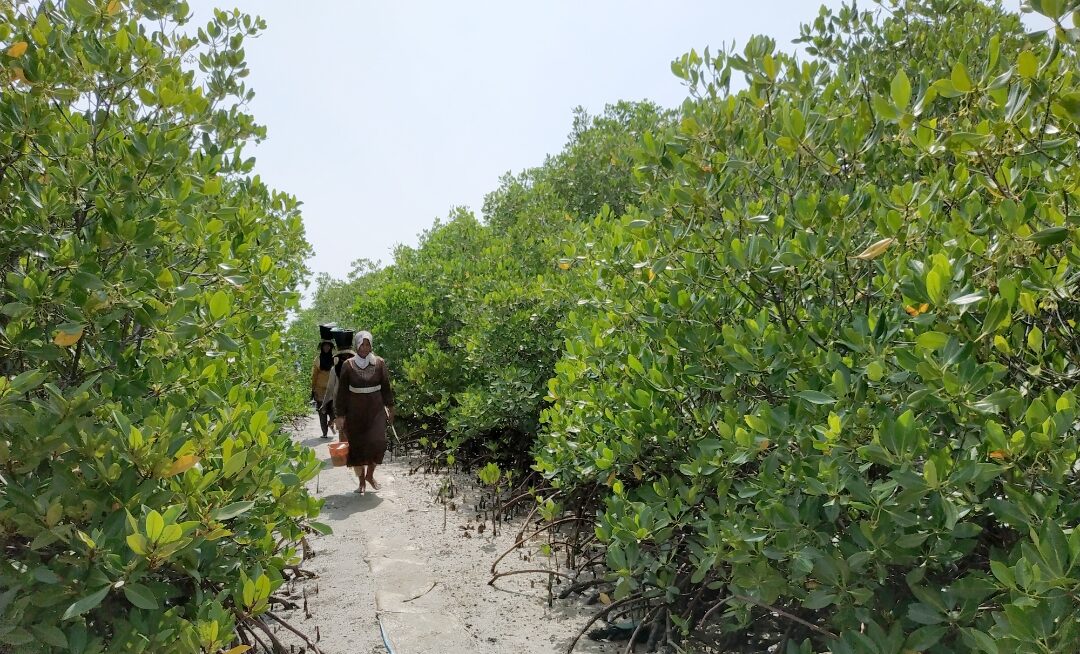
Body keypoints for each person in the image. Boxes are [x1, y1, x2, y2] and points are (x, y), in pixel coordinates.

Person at [334, 330, 395, 494]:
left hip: (376, 410)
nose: (364, 348)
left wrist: (390, 407)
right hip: (355, 411)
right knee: (357, 446)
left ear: (371, 346)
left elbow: (386, 387)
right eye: (362, 344)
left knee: (378, 442)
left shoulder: (379, 363)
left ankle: (370, 475)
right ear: (357, 345)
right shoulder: (348, 365)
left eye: (367, 344)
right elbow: (342, 392)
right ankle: (361, 481)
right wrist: (340, 415)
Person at [321, 328, 356, 423]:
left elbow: (330, 388)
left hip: (341, 406)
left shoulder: (335, 368)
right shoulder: (359, 365)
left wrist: (324, 405)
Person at [310, 339, 335, 438]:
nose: (326, 347)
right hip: (320, 390)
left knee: (333, 411)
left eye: (328, 346)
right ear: (322, 347)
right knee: (322, 412)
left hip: (332, 389)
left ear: (331, 347)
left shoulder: (334, 359)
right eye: (325, 346)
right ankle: (324, 433)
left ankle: (331, 422)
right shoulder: (317, 360)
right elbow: (314, 375)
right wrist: (313, 389)